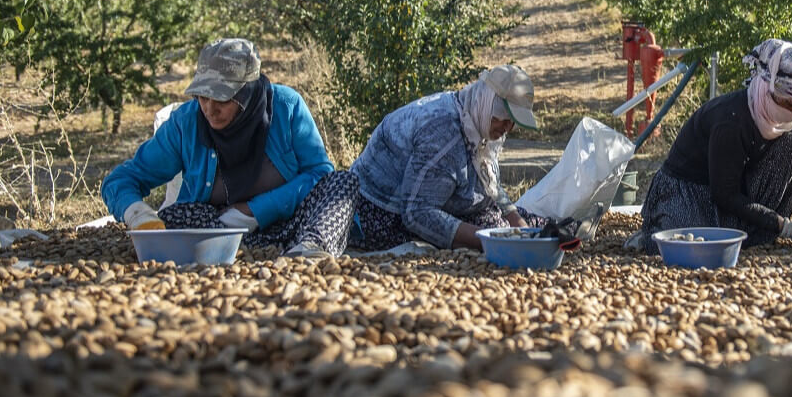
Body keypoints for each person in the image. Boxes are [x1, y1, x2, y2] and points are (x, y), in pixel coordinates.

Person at [102, 38, 360, 258]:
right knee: (175, 215)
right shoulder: (185, 123)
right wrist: (136, 213)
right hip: (221, 232)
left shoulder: (287, 107)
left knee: (342, 182)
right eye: (203, 97)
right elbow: (121, 180)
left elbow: (320, 174)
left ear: (246, 93)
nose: (209, 109)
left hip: (293, 226)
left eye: (221, 99)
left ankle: (309, 252)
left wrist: (253, 211)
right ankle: (229, 253)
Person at [628, 39, 792, 253]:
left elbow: (785, 175)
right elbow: (724, 194)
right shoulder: (731, 122)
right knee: (691, 243)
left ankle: (754, 234)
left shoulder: (780, 118)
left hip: (735, 186)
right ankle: (652, 234)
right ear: (769, 90)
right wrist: (785, 227)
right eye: (790, 103)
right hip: (689, 192)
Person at [349, 63, 542, 251]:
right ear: (488, 101)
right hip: (382, 214)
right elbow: (417, 212)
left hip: (439, 203)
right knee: (499, 231)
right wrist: (491, 241)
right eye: (505, 118)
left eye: (513, 122)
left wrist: (517, 222)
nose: (508, 128)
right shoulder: (443, 134)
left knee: (529, 226)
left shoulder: (477, 118)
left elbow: (489, 182)